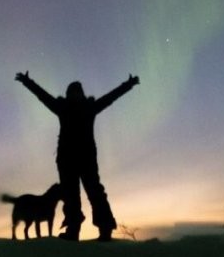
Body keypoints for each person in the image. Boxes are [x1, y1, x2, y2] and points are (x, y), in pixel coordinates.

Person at [15, 70, 139, 241]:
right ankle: (73, 230)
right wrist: (27, 82)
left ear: (81, 94)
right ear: (68, 95)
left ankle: (105, 229)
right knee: (71, 196)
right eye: (72, 93)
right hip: (66, 161)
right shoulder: (62, 108)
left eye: (77, 92)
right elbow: (43, 96)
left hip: (86, 159)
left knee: (95, 193)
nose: (75, 95)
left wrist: (128, 85)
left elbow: (110, 97)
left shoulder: (89, 108)